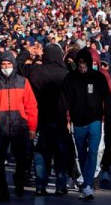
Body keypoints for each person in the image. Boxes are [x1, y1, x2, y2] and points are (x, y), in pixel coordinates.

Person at [0, 52, 38, 202]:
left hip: (20, 127)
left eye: (9, 64)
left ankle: (19, 180)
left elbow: (31, 106)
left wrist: (32, 128)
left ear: (13, 65)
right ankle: (3, 191)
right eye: (3, 64)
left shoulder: (23, 82)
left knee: (23, 159)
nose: (6, 67)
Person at [17, 44, 70, 196]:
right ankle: (61, 185)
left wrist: (27, 51)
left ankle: (41, 185)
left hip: (39, 118)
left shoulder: (36, 70)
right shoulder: (65, 73)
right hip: (60, 119)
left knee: (40, 153)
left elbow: (18, 66)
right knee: (60, 154)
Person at [61, 48, 111, 200]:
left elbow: (108, 100)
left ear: (90, 63)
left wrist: (108, 120)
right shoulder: (70, 78)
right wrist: (65, 120)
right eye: (80, 62)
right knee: (81, 153)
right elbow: (64, 101)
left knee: (93, 152)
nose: (82, 65)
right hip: (78, 123)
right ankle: (86, 184)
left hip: (96, 121)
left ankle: (88, 184)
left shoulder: (98, 77)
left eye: (85, 62)